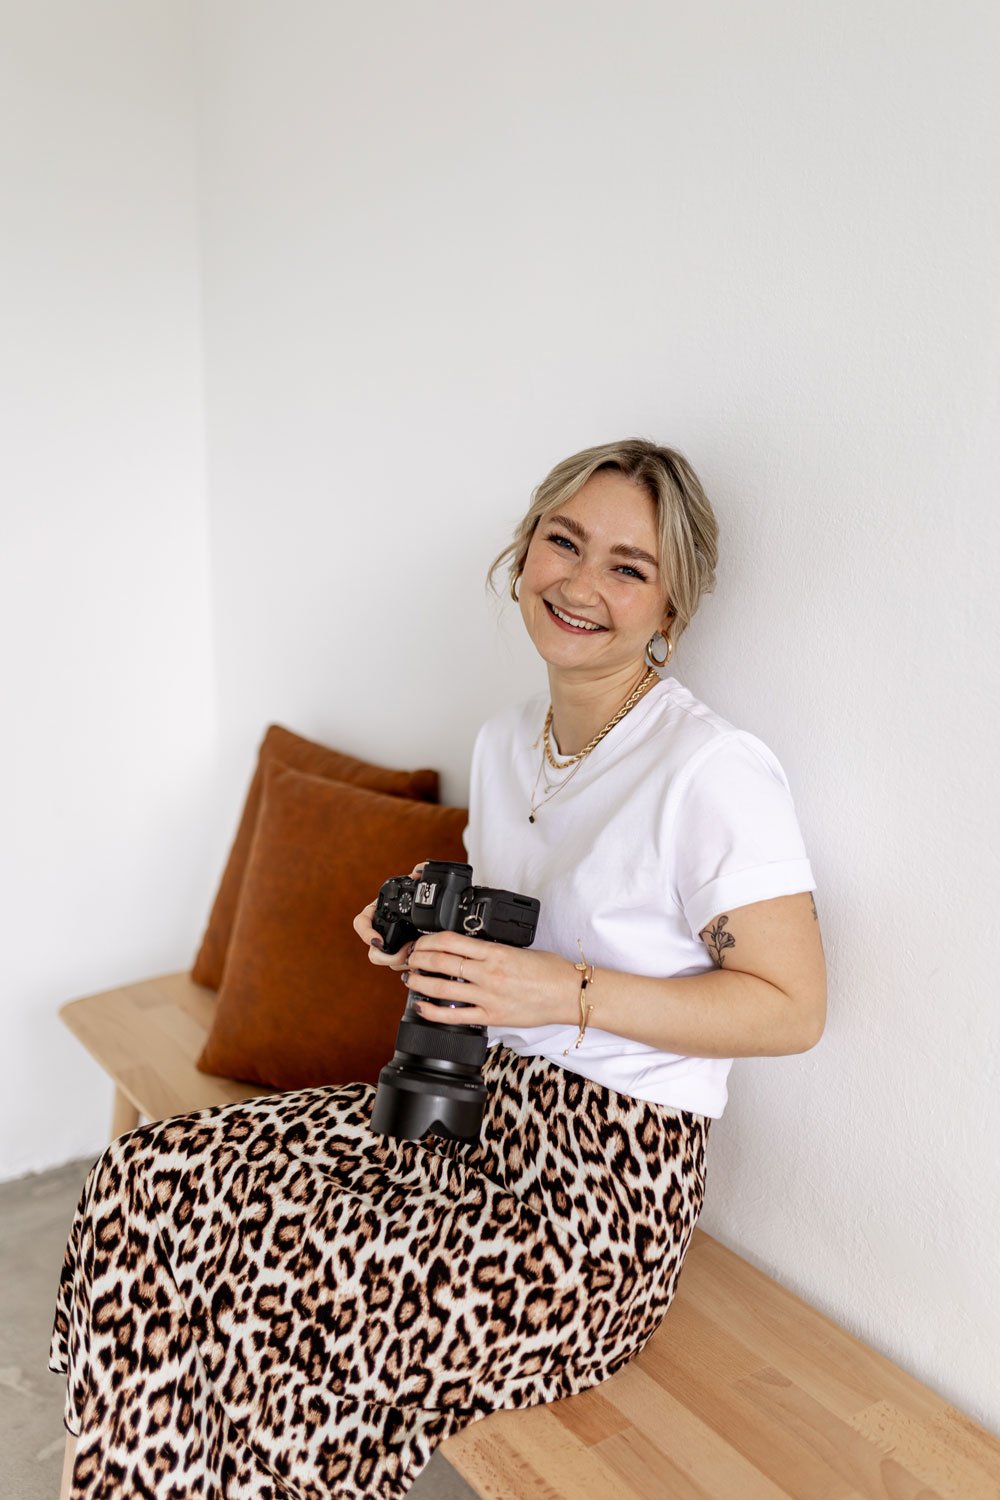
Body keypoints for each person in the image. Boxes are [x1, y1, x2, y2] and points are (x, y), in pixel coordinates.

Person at [49, 437, 826, 1499]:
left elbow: (790, 1008)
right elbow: (509, 938)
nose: (581, 583)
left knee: (293, 1306)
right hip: (458, 1108)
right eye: (564, 542)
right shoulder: (508, 742)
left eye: (628, 567)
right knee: (150, 1180)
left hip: (593, 1202)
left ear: (671, 613)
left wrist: (562, 993)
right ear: (524, 553)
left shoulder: (711, 771)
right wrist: (418, 930)